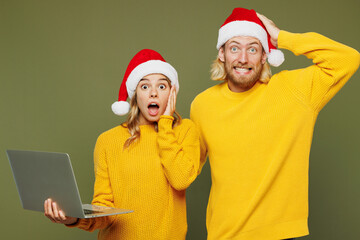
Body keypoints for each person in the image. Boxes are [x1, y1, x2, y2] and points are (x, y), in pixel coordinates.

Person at [190, 7, 359, 240]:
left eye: (253, 49)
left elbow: (347, 59)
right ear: (222, 54)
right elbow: (187, 168)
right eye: (234, 48)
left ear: (264, 55)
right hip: (223, 234)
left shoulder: (293, 91)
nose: (242, 58)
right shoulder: (202, 105)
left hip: (277, 235)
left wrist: (281, 37)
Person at [44, 49, 200, 239]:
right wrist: (73, 218)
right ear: (135, 96)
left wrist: (165, 125)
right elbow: (105, 208)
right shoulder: (108, 141)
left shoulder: (185, 131)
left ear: (172, 92)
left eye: (161, 86)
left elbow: (181, 179)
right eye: (144, 87)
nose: (153, 93)